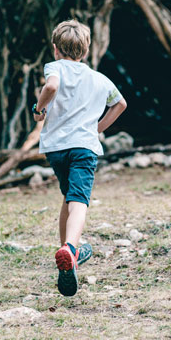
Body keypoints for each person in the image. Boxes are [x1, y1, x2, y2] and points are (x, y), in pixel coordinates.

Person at [33, 19, 127, 295]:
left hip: (57, 148)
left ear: (55, 49)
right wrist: (97, 129)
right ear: (85, 51)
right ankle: (71, 249)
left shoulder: (54, 66)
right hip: (84, 147)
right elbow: (120, 103)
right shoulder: (99, 79)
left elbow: (50, 87)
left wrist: (38, 110)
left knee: (68, 196)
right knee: (79, 200)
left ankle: (66, 255)